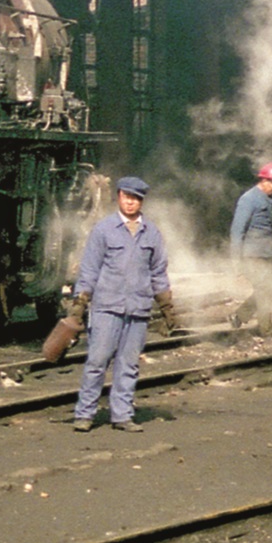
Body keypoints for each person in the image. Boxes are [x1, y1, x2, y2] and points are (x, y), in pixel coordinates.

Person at [71, 176, 173, 432]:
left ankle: (122, 416)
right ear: (118, 196)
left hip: (138, 309)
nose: (131, 202)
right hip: (107, 306)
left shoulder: (152, 232)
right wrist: (80, 302)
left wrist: (167, 308)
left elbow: (158, 271)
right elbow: (90, 269)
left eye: (136, 198)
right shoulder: (103, 230)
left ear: (141, 201)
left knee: (128, 365)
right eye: (127, 197)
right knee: (97, 362)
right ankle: (84, 414)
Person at [229, 162, 272, 334]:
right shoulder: (249, 199)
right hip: (253, 254)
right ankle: (266, 330)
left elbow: (266, 226)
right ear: (265, 181)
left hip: (265, 253)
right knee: (263, 289)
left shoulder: (267, 200)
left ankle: (239, 316)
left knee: (267, 288)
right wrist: (236, 259)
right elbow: (237, 230)